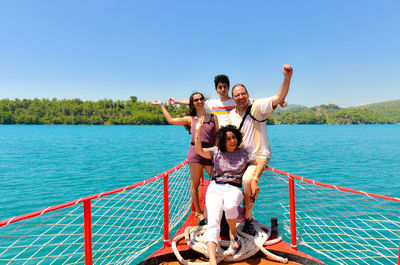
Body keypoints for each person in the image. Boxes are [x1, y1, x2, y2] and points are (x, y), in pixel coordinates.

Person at [229, 64, 293, 235]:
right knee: (223, 181)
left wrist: (287, 77)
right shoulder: (232, 115)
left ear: (248, 95)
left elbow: (279, 97)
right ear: (233, 98)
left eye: (243, 93)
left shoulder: (257, 107)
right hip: (240, 157)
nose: (241, 97)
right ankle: (227, 216)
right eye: (237, 95)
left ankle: (248, 219)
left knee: (248, 181)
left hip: (257, 156)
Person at [195, 118, 264, 265]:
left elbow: (260, 162)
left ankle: (233, 233)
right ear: (222, 141)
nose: (232, 141)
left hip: (233, 187)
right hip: (215, 187)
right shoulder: (217, 152)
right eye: (228, 139)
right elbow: (198, 150)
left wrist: (255, 180)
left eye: (233, 137)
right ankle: (213, 260)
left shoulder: (244, 153)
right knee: (213, 222)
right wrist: (198, 131)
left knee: (230, 206)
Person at [149, 92, 219, 224]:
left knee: (217, 180)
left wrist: (219, 154)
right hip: (195, 154)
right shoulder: (190, 119)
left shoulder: (213, 117)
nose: (199, 101)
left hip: (210, 153)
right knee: (195, 183)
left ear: (204, 100)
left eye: (201, 99)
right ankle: (199, 213)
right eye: (195, 100)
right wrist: (161, 105)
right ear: (192, 103)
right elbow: (171, 121)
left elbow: (217, 138)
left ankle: (215, 209)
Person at [168, 74, 236, 126]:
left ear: (229, 87)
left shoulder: (235, 102)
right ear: (216, 89)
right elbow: (195, 102)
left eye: (225, 87)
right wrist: (176, 101)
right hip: (218, 137)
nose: (223, 89)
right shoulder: (212, 103)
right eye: (220, 87)